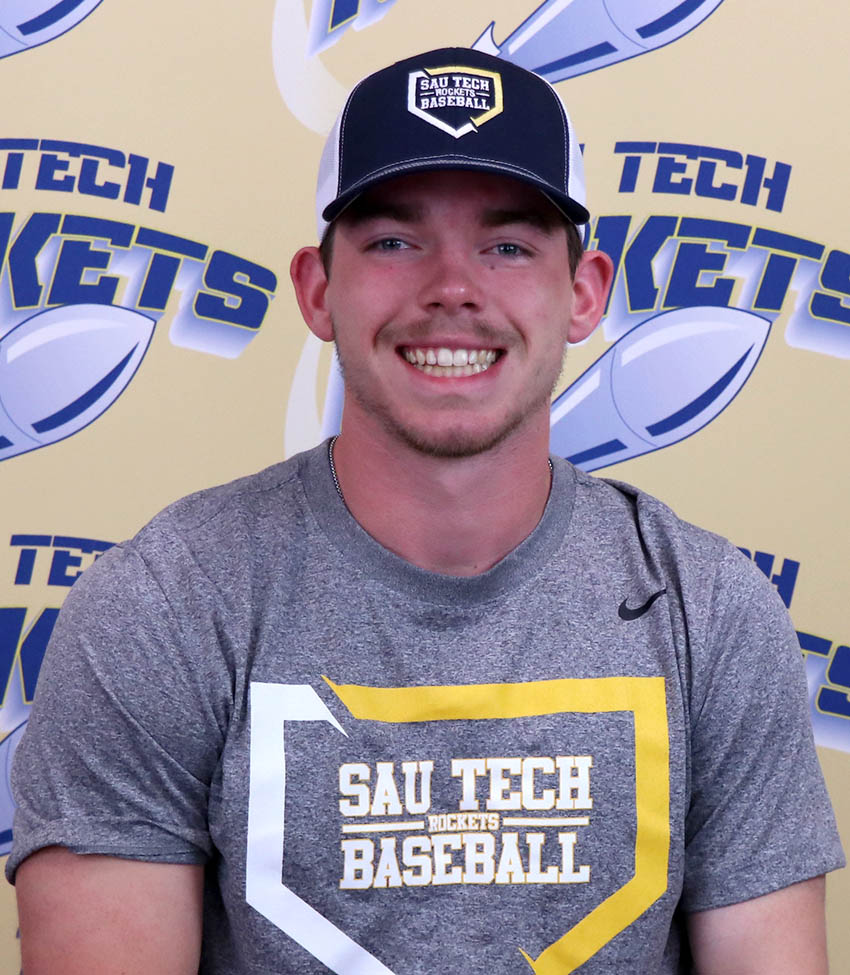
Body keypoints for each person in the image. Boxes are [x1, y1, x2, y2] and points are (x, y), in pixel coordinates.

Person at [7, 47, 844, 974]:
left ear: (585, 292)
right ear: (318, 290)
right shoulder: (160, 606)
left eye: (509, 244)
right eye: (394, 241)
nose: (452, 287)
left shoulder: (710, 612)